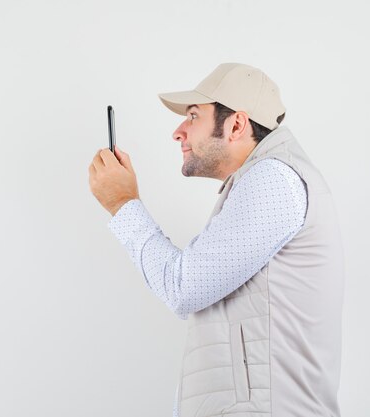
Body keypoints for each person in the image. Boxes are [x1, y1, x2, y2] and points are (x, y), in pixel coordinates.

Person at [88, 63, 344, 417]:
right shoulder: (262, 181)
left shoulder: (273, 178)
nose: (178, 132)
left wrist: (123, 204)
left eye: (193, 116)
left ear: (236, 124)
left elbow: (184, 287)